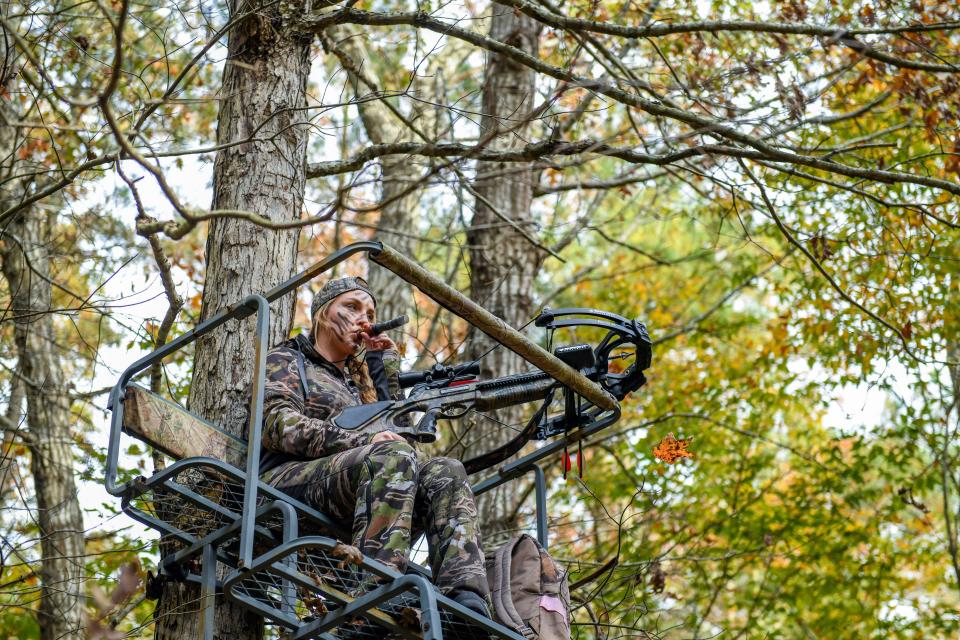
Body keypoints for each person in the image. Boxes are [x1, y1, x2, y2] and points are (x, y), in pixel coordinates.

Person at [258, 276, 490, 616]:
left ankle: (464, 599)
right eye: (351, 307)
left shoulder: (360, 382)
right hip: (285, 486)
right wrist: (362, 440)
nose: (363, 318)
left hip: (355, 495)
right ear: (322, 314)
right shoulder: (289, 360)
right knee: (391, 455)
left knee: (446, 470)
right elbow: (278, 426)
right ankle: (376, 591)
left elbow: (405, 450)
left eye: (369, 312)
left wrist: (384, 371)